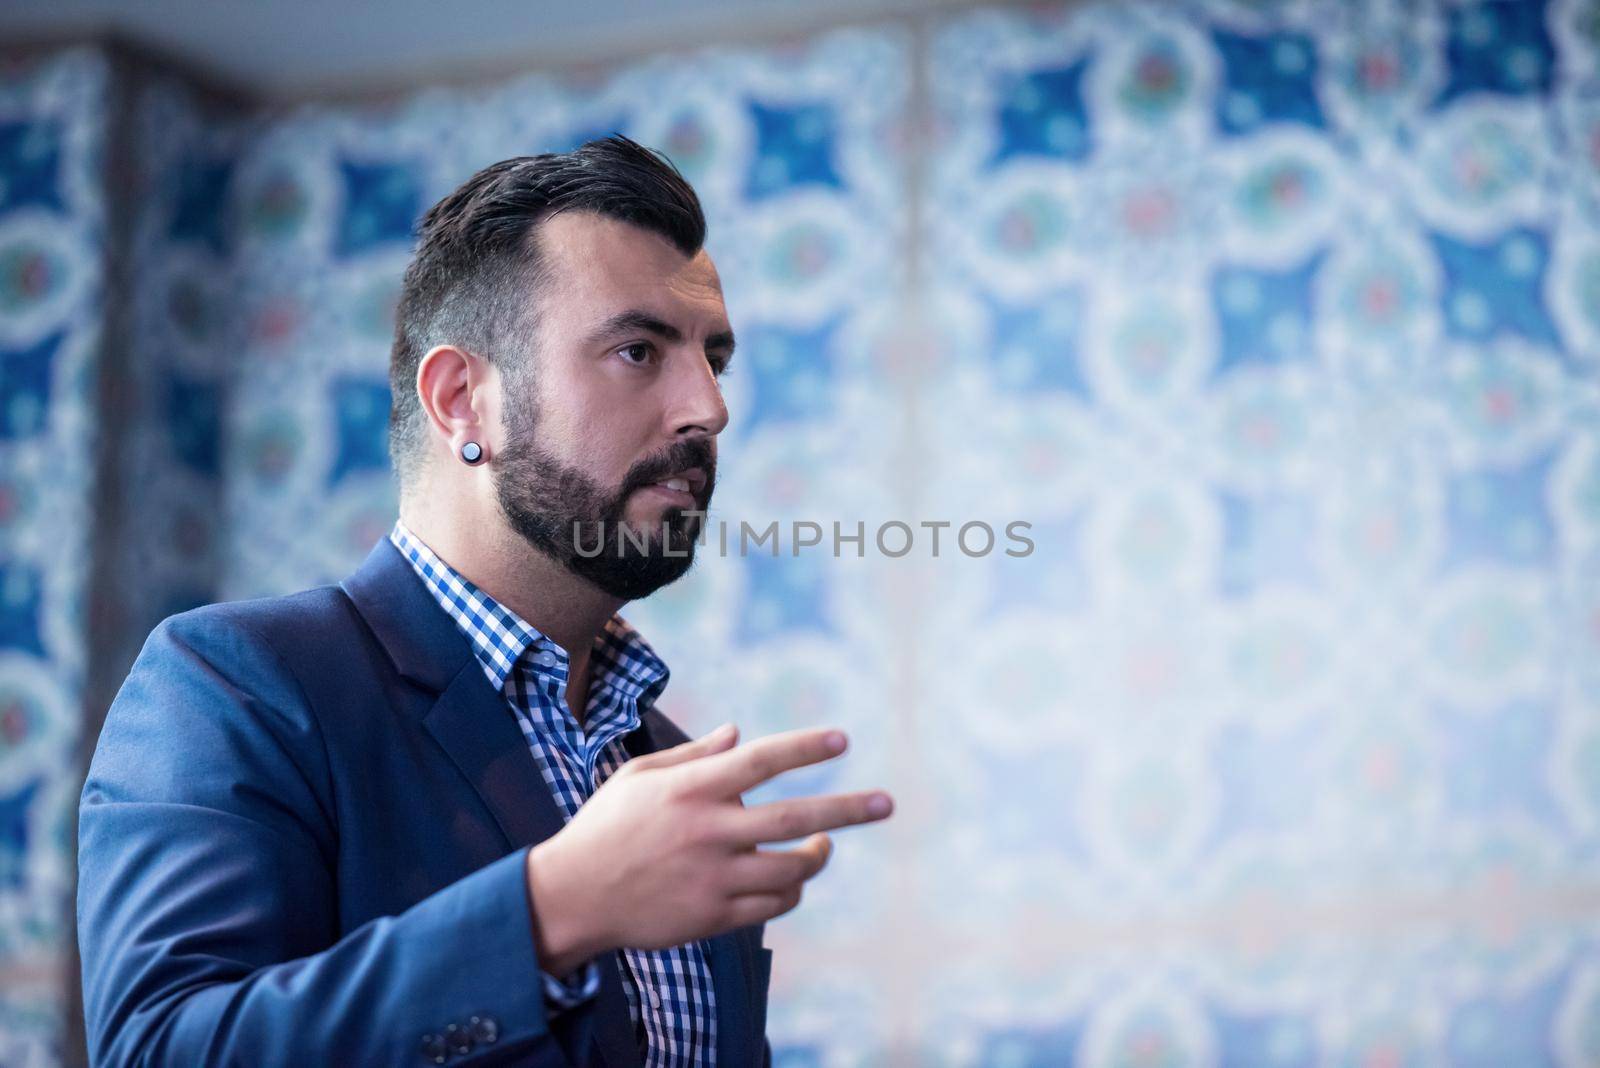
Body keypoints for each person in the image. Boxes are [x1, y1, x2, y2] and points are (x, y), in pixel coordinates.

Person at [75, 136, 895, 1068]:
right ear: (462, 399)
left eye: (715, 358)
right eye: (639, 350)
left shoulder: (669, 767)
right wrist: (554, 908)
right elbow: (159, 1052)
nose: (709, 408)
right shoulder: (240, 685)